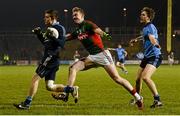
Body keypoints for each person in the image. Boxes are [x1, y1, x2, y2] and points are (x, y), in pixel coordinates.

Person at [53, 7, 143, 109]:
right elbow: (66, 38)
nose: (74, 17)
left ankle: (138, 97)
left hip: (102, 55)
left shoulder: (88, 24)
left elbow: (99, 31)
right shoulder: (77, 31)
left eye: (76, 15)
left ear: (82, 15)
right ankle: (66, 94)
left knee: (117, 79)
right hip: (92, 57)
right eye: (73, 15)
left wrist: (106, 35)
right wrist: (55, 37)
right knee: (73, 68)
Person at [14, 9, 69, 109]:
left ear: (53, 18)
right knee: (50, 86)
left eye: (47, 17)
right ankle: (71, 89)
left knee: (35, 79)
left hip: (50, 58)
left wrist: (53, 38)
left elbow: (62, 44)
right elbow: (46, 43)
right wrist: (39, 34)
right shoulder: (51, 28)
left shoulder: (59, 28)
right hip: (51, 59)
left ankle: (27, 103)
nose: (45, 19)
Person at [130, 7, 163, 108]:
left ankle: (157, 100)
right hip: (147, 56)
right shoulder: (145, 28)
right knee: (137, 79)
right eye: (141, 14)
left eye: (143, 14)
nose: (141, 16)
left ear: (148, 17)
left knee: (145, 77)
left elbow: (152, 38)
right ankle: (138, 98)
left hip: (155, 56)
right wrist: (136, 39)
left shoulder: (151, 26)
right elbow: (146, 36)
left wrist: (156, 44)